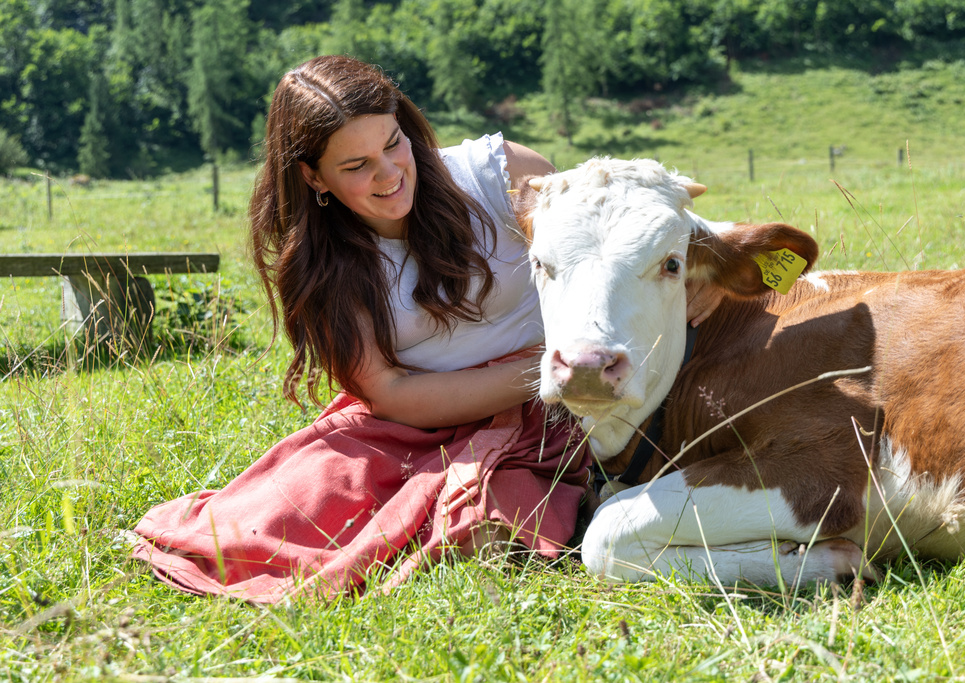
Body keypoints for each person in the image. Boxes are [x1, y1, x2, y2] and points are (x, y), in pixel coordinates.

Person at [132, 55, 721, 603]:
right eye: (357, 166)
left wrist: (707, 262)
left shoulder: (498, 173)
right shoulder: (323, 268)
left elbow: (619, 226)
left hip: (578, 391)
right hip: (423, 424)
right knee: (282, 517)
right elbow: (390, 394)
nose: (389, 174)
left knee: (483, 530)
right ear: (314, 177)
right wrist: (543, 372)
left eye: (394, 144)